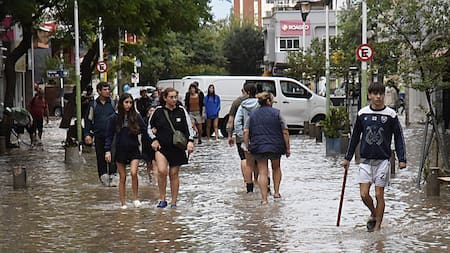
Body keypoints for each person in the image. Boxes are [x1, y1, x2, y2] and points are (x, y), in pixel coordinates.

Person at [341, 82, 407, 232]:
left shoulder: (391, 115)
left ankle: (377, 227)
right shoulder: (363, 114)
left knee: (379, 194)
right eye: (375, 94)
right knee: (364, 194)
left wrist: (402, 159)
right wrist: (347, 158)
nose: (378, 97)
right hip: (365, 160)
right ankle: (373, 212)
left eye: (381, 94)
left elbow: (398, 137)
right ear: (369, 96)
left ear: (384, 95)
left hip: (383, 160)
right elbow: (355, 137)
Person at [148, 87, 195, 208]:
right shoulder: (158, 111)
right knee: (162, 171)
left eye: (175, 97)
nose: (174, 99)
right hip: (162, 147)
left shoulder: (181, 111)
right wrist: (154, 139)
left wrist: (190, 141)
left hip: (177, 148)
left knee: (174, 173)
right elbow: (149, 127)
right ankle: (162, 199)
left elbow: (189, 128)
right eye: (171, 97)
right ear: (165, 98)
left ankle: (174, 202)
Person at [244, 92, 290, 204]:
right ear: (269, 101)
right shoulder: (277, 113)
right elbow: (285, 131)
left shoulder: (252, 114)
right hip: (275, 146)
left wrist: (247, 146)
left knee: (262, 172)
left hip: (258, 146)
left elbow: (246, 131)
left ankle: (264, 199)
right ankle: (276, 193)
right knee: (276, 168)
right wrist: (287, 148)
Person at [105, 93, 149, 209]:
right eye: (126, 102)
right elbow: (109, 135)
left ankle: (135, 198)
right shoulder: (114, 118)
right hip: (120, 150)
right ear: (121, 103)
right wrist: (107, 151)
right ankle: (123, 203)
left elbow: (145, 130)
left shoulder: (136, 116)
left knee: (134, 173)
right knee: (122, 177)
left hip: (134, 148)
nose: (128, 105)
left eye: (130, 103)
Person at [84, 82, 119, 187]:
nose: (107, 91)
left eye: (108, 89)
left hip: (113, 136)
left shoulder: (113, 104)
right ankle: (103, 178)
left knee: (113, 156)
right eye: (105, 89)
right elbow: (88, 120)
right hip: (99, 135)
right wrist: (87, 134)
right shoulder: (93, 105)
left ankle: (114, 176)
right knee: (100, 157)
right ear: (99, 91)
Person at [234, 83, 259, 193]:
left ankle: (249, 189)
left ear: (247, 93)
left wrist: (242, 136)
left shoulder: (242, 105)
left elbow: (237, 122)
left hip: (247, 137)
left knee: (247, 162)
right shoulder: (261, 104)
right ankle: (262, 185)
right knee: (262, 163)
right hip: (260, 138)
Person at [226, 85, 250, 188]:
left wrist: (230, 135)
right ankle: (259, 183)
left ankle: (247, 182)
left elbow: (231, 121)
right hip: (256, 135)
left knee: (244, 159)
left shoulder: (236, 102)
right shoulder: (259, 101)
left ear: (243, 90)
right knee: (259, 162)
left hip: (241, 135)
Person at [142, 106, 157, 183]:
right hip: (146, 144)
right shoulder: (144, 120)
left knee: (155, 162)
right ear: (148, 112)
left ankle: (156, 180)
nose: (152, 112)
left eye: (154, 111)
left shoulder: (157, 121)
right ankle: (150, 179)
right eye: (151, 110)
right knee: (148, 163)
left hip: (155, 144)